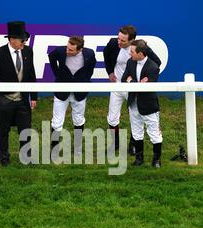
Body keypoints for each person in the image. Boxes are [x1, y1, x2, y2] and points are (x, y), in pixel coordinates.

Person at [0, 21, 37, 166]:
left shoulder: (28, 51)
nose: (24, 42)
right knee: (3, 131)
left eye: (25, 39)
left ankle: (26, 157)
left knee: (25, 130)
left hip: (23, 100)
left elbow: (31, 74)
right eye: (21, 39)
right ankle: (4, 159)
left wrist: (34, 96)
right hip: (4, 100)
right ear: (11, 39)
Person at [103, 25, 161, 154]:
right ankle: (115, 143)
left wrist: (147, 79)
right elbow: (106, 54)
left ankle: (133, 144)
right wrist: (109, 71)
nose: (119, 42)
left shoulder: (140, 48)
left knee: (135, 117)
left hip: (133, 88)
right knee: (112, 117)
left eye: (123, 41)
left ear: (131, 40)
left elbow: (157, 62)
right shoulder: (113, 43)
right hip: (117, 85)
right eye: (118, 38)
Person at [48, 36, 96, 155]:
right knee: (57, 122)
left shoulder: (89, 54)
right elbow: (51, 58)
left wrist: (85, 81)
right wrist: (57, 74)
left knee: (79, 120)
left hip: (80, 93)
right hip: (61, 92)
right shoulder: (60, 51)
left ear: (80, 50)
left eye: (71, 50)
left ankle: (78, 149)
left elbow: (90, 69)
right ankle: (54, 148)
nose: (67, 51)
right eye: (67, 48)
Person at [121, 39, 163, 168]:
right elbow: (124, 79)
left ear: (140, 53)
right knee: (136, 132)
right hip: (133, 103)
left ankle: (156, 160)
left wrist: (132, 82)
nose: (130, 54)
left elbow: (147, 87)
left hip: (149, 106)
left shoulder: (153, 67)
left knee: (154, 134)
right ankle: (139, 159)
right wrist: (137, 84)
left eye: (132, 52)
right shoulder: (130, 62)